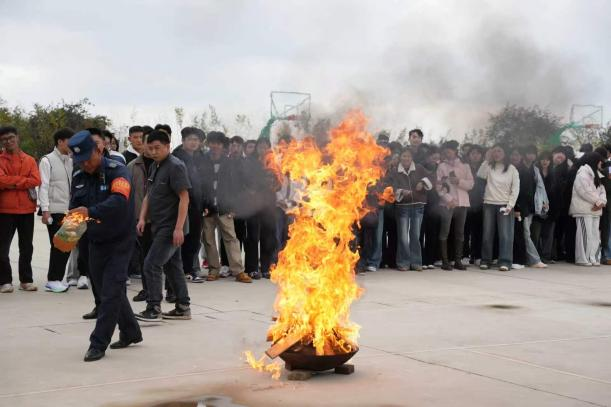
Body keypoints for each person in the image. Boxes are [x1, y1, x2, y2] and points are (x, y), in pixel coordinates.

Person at [68, 130, 142, 362]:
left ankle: (98, 343)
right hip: (95, 241)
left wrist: (90, 211)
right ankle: (131, 331)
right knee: (106, 291)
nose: (84, 164)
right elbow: (75, 208)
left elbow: (120, 201)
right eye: (79, 161)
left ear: (99, 150)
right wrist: (67, 237)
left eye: (87, 159)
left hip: (121, 240)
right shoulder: (79, 176)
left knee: (110, 292)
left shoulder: (117, 171)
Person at [135, 130, 192, 322]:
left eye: (157, 148)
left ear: (168, 146)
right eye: (150, 148)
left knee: (151, 264)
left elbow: (184, 198)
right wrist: (142, 218)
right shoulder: (155, 166)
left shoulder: (176, 166)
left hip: (171, 227)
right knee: (173, 266)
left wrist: (178, 228)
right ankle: (183, 307)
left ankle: (154, 308)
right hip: (158, 225)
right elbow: (148, 195)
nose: (153, 152)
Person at [201, 131, 251, 283]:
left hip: (225, 208)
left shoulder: (229, 163)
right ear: (208, 144)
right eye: (212, 143)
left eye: (218, 143)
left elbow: (234, 187)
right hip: (208, 208)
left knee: (231, 238)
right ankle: (213, 270)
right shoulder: (203, 161)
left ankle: (238, 271)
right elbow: (200, 185)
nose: (215, 146)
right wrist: (203, 205)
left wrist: (234, 207)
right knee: (208, 240)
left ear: (223, 146)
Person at [0, 126, 41, 293]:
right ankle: (5, 281)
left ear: (17, 137)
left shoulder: (30, 160)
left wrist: (11, 182)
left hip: (27, 210)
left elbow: (36, 180)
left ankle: (26, 280)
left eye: (11, 137)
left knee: (26, 247)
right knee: (2, 248)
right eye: (4, 139)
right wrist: (23, 181)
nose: (8, 141)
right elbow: (1, 181)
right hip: (5, 210)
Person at [39, 128, 76, 293]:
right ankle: (53, 280)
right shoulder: (47, 160)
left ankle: (58, 279)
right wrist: (45, 210)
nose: (72, 145)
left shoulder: (70, 160)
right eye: (70, 141)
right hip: (55, 209)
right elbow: (44, 186)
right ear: (60, 141)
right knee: (58, 246)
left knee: (67, 245)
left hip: (70, 209)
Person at [386, 147, 433, 271]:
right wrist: (401, 191)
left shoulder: (419, 168)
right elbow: (390, 187)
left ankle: (416, 262)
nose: (406, 158)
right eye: (404, 156)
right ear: (400, 158)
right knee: (403, 236)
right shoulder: (395, 171)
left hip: (418, 205)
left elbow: (431, 177)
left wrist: (422, 182)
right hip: (402, 207)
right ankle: (403, 262)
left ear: (412, 158)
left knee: (415, 235)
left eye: (408, 156)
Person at [477, 144, 520, 272]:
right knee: (487, 234)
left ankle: (505, 261)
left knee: (505, 235)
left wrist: (510, 205)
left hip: (505, 204)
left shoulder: (512, 169)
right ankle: (486, 260)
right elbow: (480, 175)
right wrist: (486, 159)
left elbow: (515, 189)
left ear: (505, 153)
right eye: (494, 151)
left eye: (499, 151)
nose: (496, 154)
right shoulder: (489, 166)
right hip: (489, 203)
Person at [172, 127, 206, 283]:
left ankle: (190, 269)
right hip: (182, 205)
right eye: (190, 139)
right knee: (183, 238)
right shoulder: (176, 158)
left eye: (196, 140)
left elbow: (203, 182)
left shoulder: (199, 158)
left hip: (197, 206)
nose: (194, 142)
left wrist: (205, 203)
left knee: (194, 239)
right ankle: (184, 270)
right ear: (183, 141)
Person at [244, 138, 279, 279]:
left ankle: (266, 267)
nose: (263, 149)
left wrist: (275, 185)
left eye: (265, 147)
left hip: (269, 204)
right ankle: (252, 268)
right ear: (257, 148)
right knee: (253, 237)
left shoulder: (273, 163)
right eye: (260, 147)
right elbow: (245, 182)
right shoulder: (249, 162)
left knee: (268, 237)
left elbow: (279, 183)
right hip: (253, 204)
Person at [436, 140, 474, 270]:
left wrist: (459, 181)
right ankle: (445, 261)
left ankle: (458, 260)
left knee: (460, 232)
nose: (448, 152)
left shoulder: (465, 166)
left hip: (462, 203)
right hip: (447, 204)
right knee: (444, 232)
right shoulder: (441, 166)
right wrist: (448, 199)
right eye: (446, 150)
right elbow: (439, 186)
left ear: (456, 151)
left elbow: (471, 184)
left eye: (450, 150)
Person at [127, 134, 155, 301]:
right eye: (148, 144)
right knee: (145, 256)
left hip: (161, 219)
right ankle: (147, 289)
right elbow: (127, 195)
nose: (151, 148)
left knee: (167, 258)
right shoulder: (132, 166)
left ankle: (171, 290)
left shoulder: (165, 165)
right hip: (141, 219)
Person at [570, 152, 607, 266]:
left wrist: (602, 202)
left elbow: (602, 191)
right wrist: (599, 202)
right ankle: (582, 259)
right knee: (585, 235)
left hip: (596, 210)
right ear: (595, 161)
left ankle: (593, 258)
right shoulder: (582, 174)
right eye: (600, 161)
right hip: (584, 210)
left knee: (595, 235)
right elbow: (584, 192)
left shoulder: (598, 175)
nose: (601, 163)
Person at [464, 145, 485, 264]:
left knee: (479, 230)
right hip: (467, 202)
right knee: (465, 230)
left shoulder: (485, 167)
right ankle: (465, 255)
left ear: (481, 155)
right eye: (473, 153)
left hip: (481, 203)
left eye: (478, 153)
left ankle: (477, 255)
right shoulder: (465, 167)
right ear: (468, 155)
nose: (475, 155)